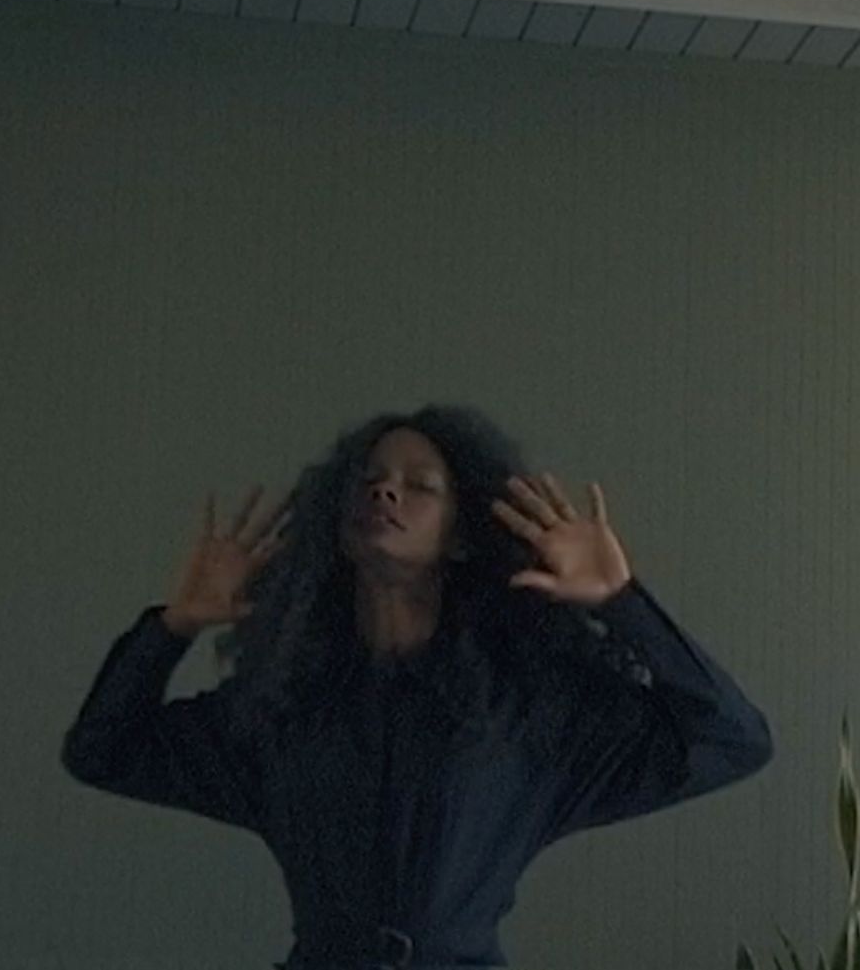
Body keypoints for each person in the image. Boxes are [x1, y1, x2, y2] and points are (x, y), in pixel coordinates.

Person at [61, 405, 774, 969]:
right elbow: (102, 749)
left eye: (419, 484)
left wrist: (621, 602)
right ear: (336, 528)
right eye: (369, 479)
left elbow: (731, 740)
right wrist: (175, 625)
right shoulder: (281, 709)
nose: (386, 489)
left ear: (460, 535)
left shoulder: (528, 716)